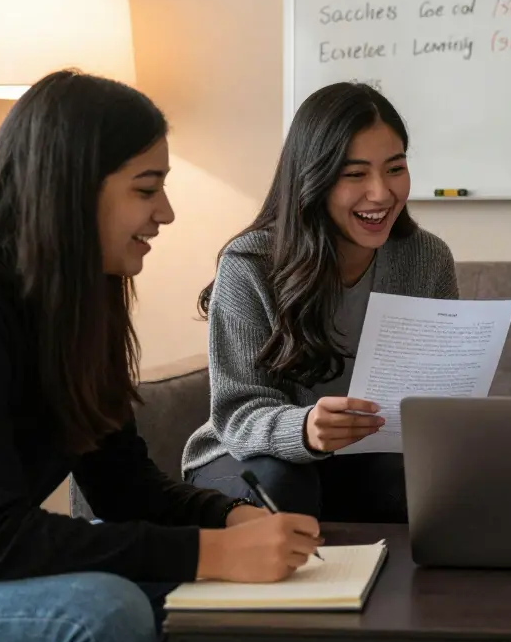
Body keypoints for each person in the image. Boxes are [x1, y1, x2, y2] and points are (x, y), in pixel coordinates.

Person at [0, 70, 322, 642]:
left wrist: (230, 518)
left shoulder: (82, 307)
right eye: (146, 188)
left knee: (205, 601)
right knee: (104, 611)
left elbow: (124, 490)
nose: (167, 213)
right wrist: (208, 552)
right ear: (72, 187)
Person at [182, 82, 458, 523]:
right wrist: (306, 429)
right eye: (354, 175)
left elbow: (437, 397)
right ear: (313, 178)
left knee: (431, 485)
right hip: (250, 456)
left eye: (395, 168)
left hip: (366, 459)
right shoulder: (250, 263)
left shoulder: (426, 259)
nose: (381, 193)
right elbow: (237, 413)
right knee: (284, 485)